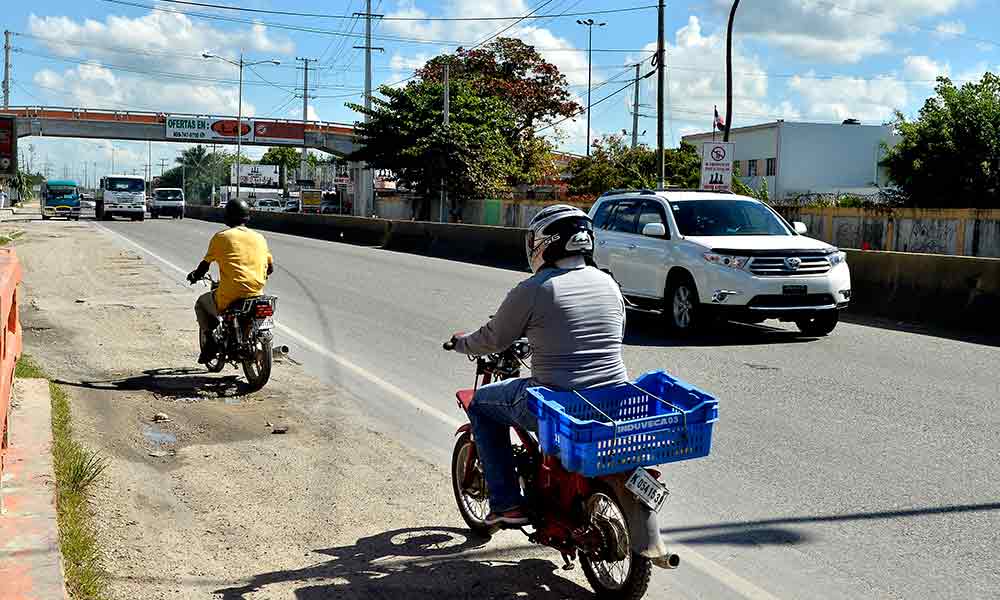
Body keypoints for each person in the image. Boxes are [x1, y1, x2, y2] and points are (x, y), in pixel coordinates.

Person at [447, 204, 628, 526]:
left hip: (556, 398)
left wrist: (462, 343)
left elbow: (493, 339)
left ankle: (505, 505)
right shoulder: (609, 284)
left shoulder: (534, 288)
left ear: (545, 242)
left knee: (481, 406)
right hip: (613, 396)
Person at [187, 199, 274, 364]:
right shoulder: (260, 238)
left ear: (226, 217)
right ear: (247, 217)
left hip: (231, 294)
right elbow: (270, 268)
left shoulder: (221, 237)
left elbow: (204, 267)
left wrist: (195, 276)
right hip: (256, 292)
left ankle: (210, 342)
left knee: (201, 303)